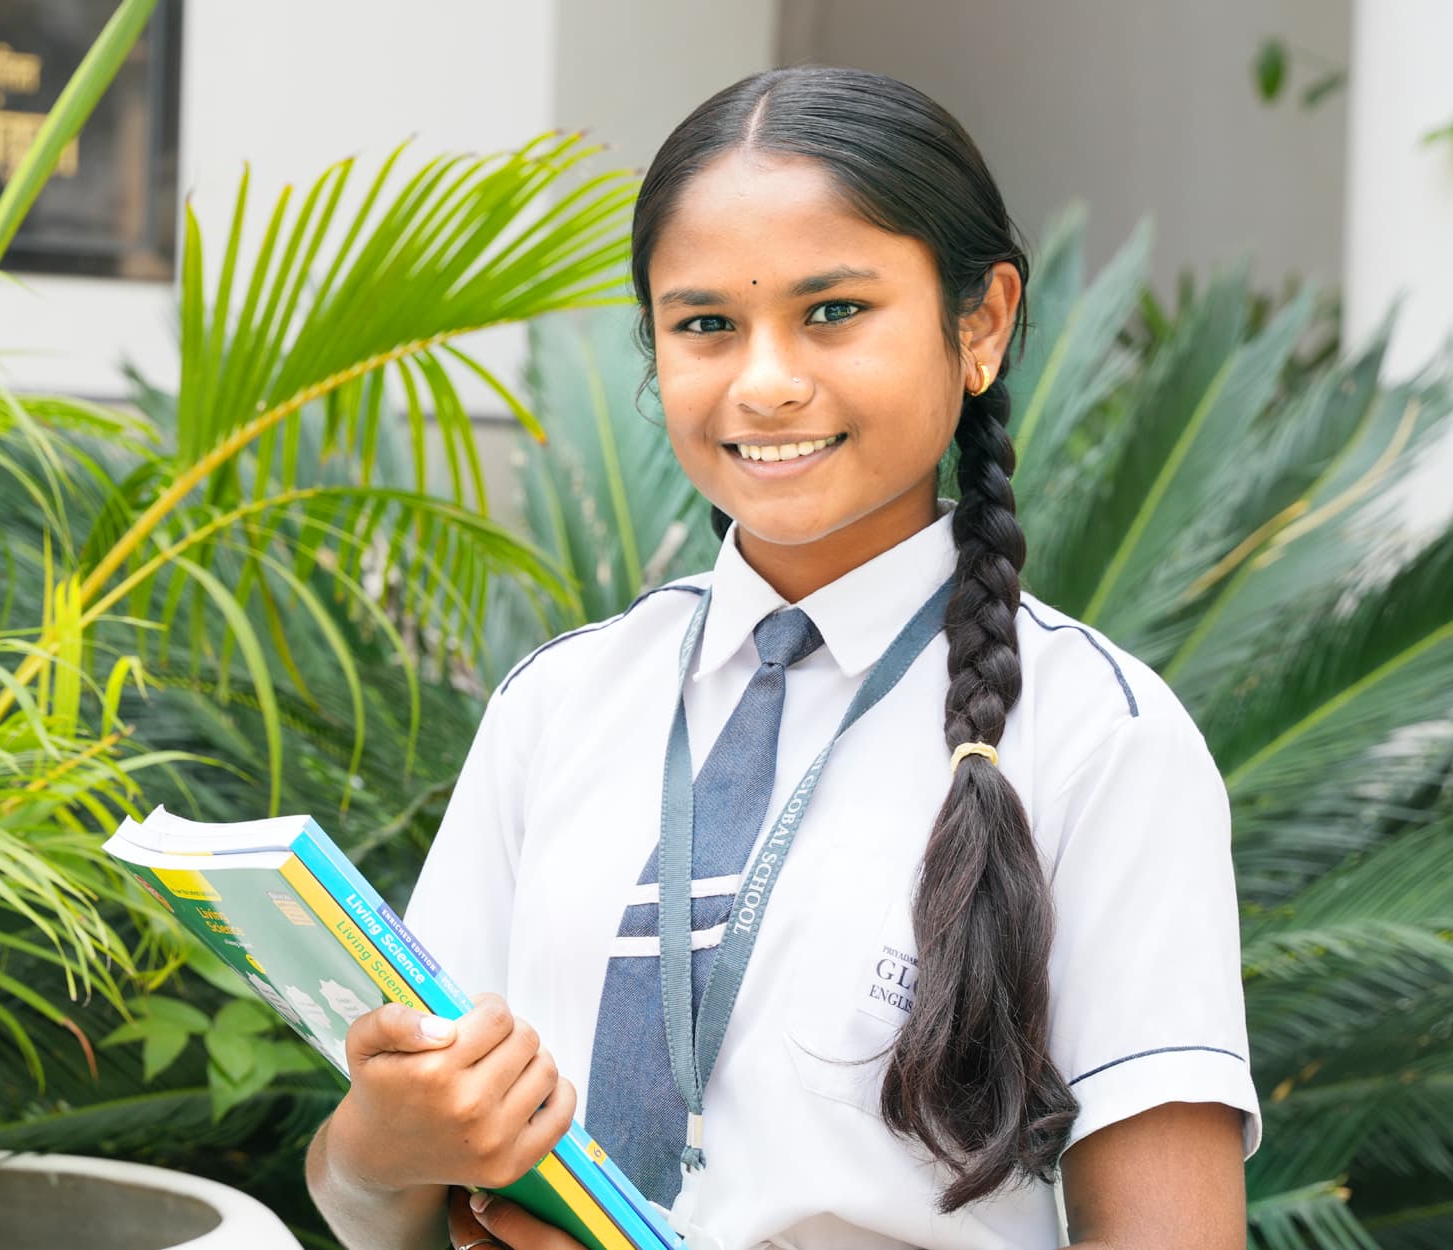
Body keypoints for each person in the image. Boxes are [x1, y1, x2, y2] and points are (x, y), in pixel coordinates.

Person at [303, 66, 1258, 1250]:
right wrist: (374, 1149)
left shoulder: (1094, 737)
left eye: (832, 311)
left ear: (982, 324)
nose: (763, 381)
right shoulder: (558, 702)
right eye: (704, 323)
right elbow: (371, 1203)